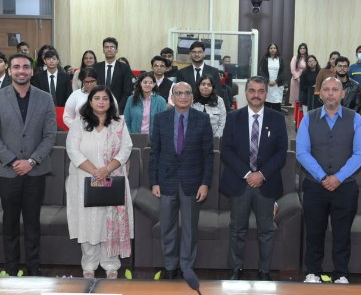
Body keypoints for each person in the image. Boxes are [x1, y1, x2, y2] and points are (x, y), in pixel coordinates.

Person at [0, 51, 59, 276]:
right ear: (9, 71)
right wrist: (14, 161)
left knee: (33, 223)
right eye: (16, 67)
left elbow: (50, 135)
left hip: (35, 171)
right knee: (10, 224)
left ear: (32, 71)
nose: (21, 71)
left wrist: (31, 161)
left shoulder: (45, 98)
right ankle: (11, 270)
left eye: (25, 67)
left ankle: (34, 270)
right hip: (7, 172)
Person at [296, 74, 361, 285]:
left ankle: (341, 274)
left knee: (342, 233)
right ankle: (313, 272)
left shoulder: (356, 119)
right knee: (314, 232)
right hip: (314, 186)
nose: (330, 94)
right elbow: (301, 152)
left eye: (335, 90)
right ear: (320, 94)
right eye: (326, 90)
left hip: (345, 187)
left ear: (343, 94)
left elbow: (360, 153)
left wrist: (338, 177)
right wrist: (322, 177)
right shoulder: (308, 118)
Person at [220, 76, 287, 280]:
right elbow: (226, 150)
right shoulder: (233, 117)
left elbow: (281, 152)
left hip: (266, 184)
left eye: (260, 91)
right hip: (239, 182)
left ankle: (264, 271)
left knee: (266, 231)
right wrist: (248, 174)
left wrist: (261, 175)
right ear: (245, 93)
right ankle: (236, 270)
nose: (256, 95)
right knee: (237, 230)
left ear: (266, 93)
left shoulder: (277, 118)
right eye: (252, 90)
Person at [65, 86, 133, 279]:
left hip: (112, 178)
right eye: (97, 98)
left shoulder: (119, 124)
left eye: (105, 98)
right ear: (90, 101)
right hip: (83, 179)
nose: (101, 102)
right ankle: (89, 264)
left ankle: (111, 264)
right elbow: (72, 150)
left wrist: (106, 170)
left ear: (111, 102)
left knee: (108, 221)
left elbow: (126, 149)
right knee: (87, 222)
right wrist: (95, 171)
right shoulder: (79, 123)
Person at [149, 80, 213, 280]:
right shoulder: (161, 118)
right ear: (172, 97)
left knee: (189, 229)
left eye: (187, 93)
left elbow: (208, 155)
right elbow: (154, 152)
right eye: (179, 93)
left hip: (192, 183)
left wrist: (205, 183)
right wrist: (154, 181)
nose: (183, 97)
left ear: (192, 97)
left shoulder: (202, 119)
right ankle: (170, 266)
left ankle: (186, 267)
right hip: (166, 182)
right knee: (167, 227)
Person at [98, 36, 134, 109]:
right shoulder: (96, 67)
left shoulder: (124, 68)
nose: (109, 49)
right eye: (106, 47)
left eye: (112, 47)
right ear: (103, 50)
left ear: (116, 50)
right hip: (99, 106)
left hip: (118, 107)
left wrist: (119, 108)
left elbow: (127, 91)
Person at [258, 42, 289, 112]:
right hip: (267, 84)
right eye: (271, 48)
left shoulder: (280, 59)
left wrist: (276, 81)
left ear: (276, 50)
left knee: (276, 105)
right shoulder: (265, 58)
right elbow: (261, 71)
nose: (273, 49)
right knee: (267, 103)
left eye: (274, 48)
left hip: (277, 85)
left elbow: (283, 72)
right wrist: (268, 81)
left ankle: (276, 118)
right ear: (268, 50)